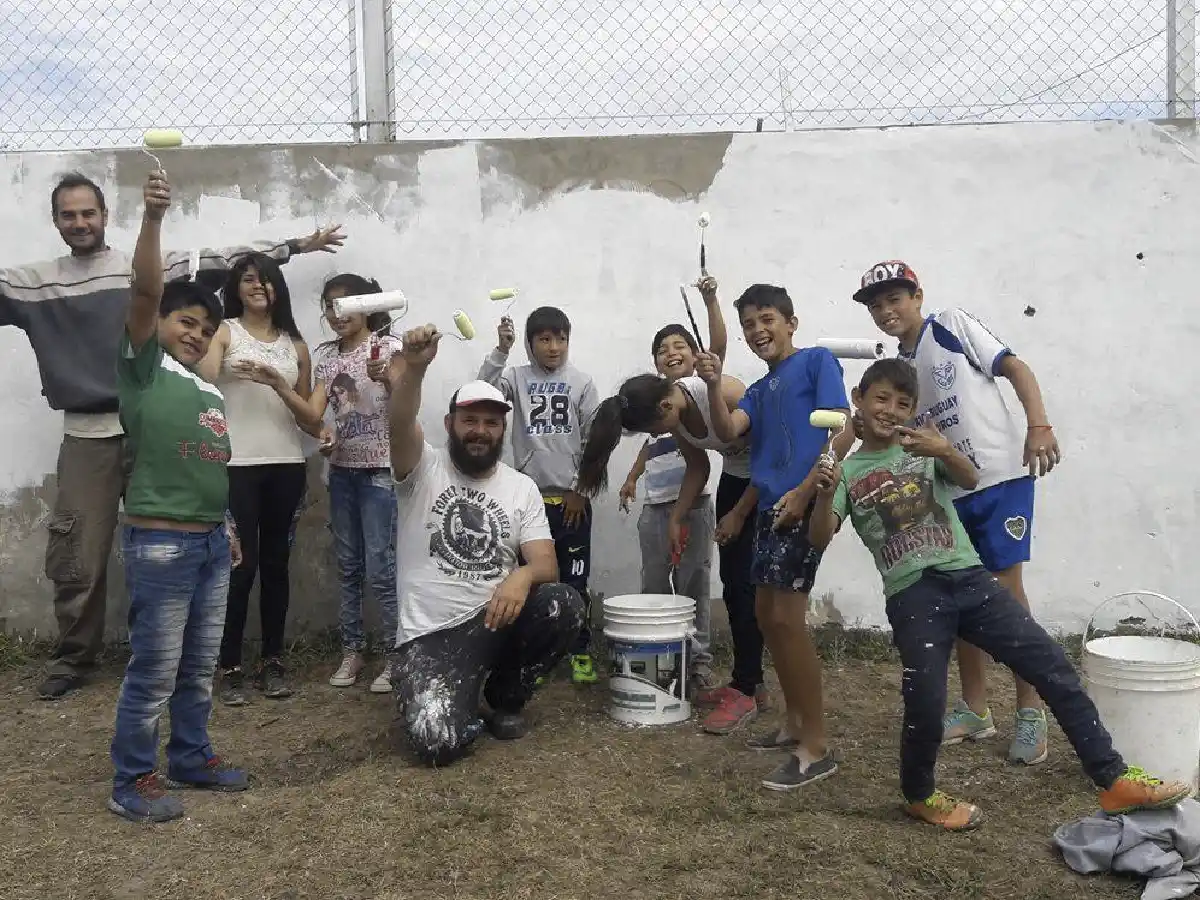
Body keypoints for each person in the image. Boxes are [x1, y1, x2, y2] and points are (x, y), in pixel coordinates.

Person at [0, 171, 344, 700]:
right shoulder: (34, 283)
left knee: (174, 545)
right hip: (89, 434)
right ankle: (75, 657)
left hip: (156, 429)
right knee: (80, 553)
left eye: (88, 212)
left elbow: (229, 260)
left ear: (105, 216)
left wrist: (298, 244)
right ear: (56, 221)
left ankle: (169, 652)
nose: (80, 223)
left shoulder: (145, 267)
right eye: (69, 215)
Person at [807, 358, 1190, 830]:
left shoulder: (923, 449)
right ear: (859, 402)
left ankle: (1112, 780)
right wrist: (823, 495)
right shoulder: (846, 473)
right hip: (913, 594)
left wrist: (944, 449)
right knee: (925, 698)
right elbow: (819, 538)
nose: (891, 410)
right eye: (881, 399)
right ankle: (919, 794)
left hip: (969, 578)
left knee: (1052, 665)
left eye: (903, 403)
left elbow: (968, 479)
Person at [852, 260, 1062, 765]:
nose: (886, 311)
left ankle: (1031, 712)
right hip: (947, 488)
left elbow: (1015, 367)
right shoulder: (898, 370)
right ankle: (974, 709)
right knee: (960, 597)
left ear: (917, 296)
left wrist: (1038, 424)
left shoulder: (951, 326)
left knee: (1006, 596)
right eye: (876, 305)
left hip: (997, 479)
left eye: (894, 299)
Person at [108, 168, 249, 823]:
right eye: (185, 322)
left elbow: (209, 464)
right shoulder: (143, 367)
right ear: (160, 321)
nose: (194, 335)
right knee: (155, 670)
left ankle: (190, 756)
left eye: (205, 329)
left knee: (198, 667)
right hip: (160, 543)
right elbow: (143, 287)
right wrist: (154, 218)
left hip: (210, 542)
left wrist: (226, 525)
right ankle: (131, 780)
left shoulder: (207, 390)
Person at [577, 279, 773, 736]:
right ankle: (750, 682)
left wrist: (740, 512)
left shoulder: (715, 391)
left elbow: (771, 455)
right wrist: (679, 518)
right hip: (738, 476)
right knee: (739, 585)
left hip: (770, 478)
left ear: (666, 402)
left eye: (657, 423)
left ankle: (752, 682)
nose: (662, 432)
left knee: (758, 587)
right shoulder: (676, 417)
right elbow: (698, 468)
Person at [387, 323, 585, 765]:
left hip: (496, 619)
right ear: (449, 424)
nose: (480, 431)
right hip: (431, 636)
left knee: (562, 603)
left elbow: (546, 564)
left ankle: (503, 696)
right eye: (470, 420)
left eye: (491, 423)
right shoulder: (422, 469)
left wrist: (522, 575)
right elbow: (399, 422)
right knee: (436, 742)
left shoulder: (521, 487)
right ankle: (450, 694)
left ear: (502, 430)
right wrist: (415, 370)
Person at [694, 283, 855, 791]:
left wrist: (808, 492)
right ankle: (794, 723)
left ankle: (817, 745)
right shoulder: (761, 390)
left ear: (791, 322)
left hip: (799, 506)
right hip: (769, 508)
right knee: (768, 618)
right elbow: (727, 430)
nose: (759, 330)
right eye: (749, 325)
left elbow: (844, 429)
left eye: (767, 319)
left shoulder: (815, 362)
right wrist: (715, 382)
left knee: (787, 619)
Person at [197, 255, 325, 704]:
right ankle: (228, 664)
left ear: (278, 289)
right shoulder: (224, 331)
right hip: (234, 467)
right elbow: (203, 376)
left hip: (286, 466)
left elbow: (310, 417)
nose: (257, 286)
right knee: (238, 566)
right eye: (248, 279)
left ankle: (273, 661)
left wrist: (277, 383)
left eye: (265, 279)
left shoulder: (298, 345)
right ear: (236, 287)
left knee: (275, 566)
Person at [477, 307, 600, 683]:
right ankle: (535, 655)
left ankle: (579, 650)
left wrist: (580, 489)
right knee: (533, 582)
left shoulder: (581, 382)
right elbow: (481, 393)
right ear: (530, 344)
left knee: (575, 579)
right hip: (529, 504)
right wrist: (500, 350)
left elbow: (597, 440)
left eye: (561, 339)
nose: (554, 347)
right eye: (545, 339)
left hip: (572, 502)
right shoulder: (515, 377)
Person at [308, 273, 401, 693]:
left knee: (381, 568)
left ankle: (394, 655)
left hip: (381, 470)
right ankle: (352, 650)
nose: (336, 314)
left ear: (366, 306)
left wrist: (387, 377)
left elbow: (406, 401)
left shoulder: (389, 346)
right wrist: (320, 435)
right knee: (348, 566)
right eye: (329, 306)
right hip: (342, 471)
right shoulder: (326, 356)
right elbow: (314, 413)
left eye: (343, 305)